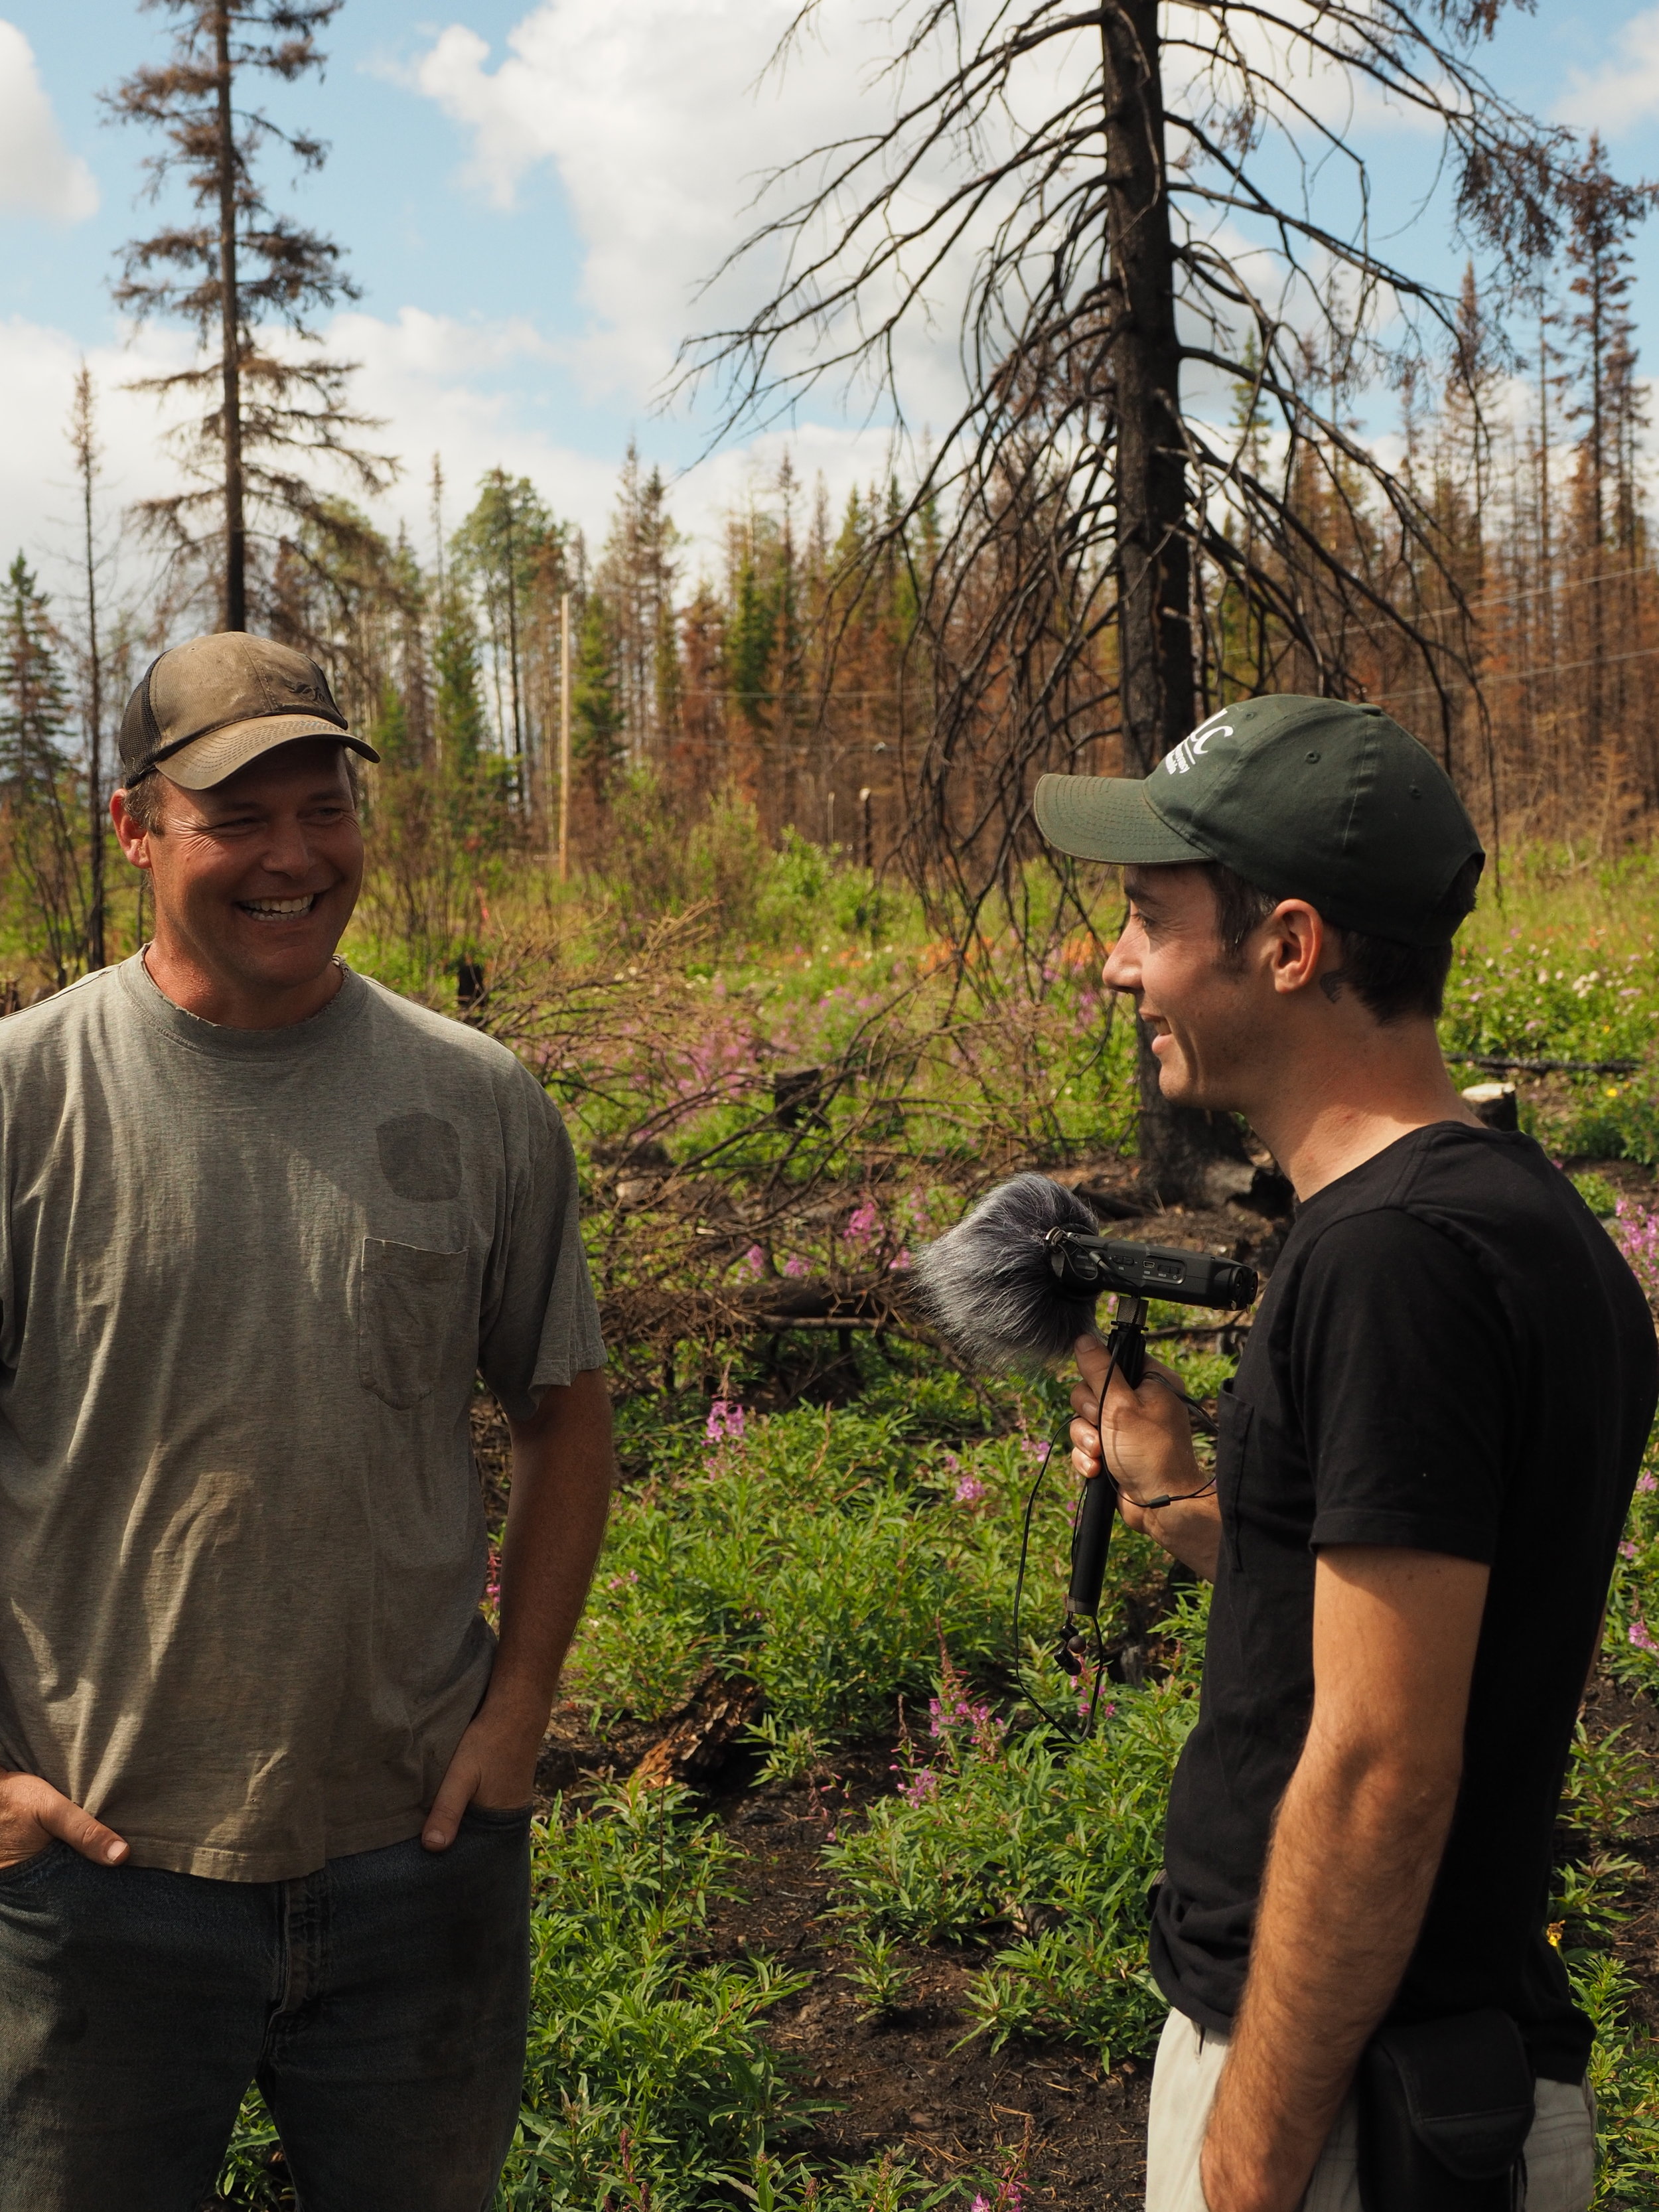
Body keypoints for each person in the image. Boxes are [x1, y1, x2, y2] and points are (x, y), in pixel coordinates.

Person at [0, 632, 613, 2212]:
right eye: (235, 814)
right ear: (136, 829)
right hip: (98, 1873)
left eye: (322, 804)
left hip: (415, 1863)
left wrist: (518, 1708)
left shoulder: (477, 1102)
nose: (292, 854)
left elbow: (563, 1405)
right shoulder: (26, 1099)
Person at [1035, 696, 1658, 2212]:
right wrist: (1189, 1495)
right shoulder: (1506, 1216)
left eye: (1146, 916)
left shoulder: (1390, 1261)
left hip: (1339, 2104)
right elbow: (1405, 1620)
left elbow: (1381, 1762)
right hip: (1395, 2069)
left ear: (1290, 945)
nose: (1117, 962)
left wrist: (1248, 2155)